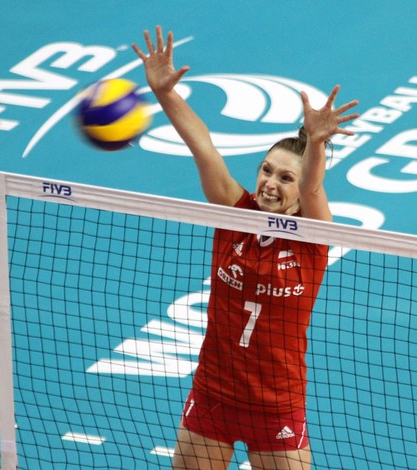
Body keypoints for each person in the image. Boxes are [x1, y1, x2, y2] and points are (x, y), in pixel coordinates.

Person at [133, 27, 359, 469]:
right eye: (266, 170)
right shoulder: (235, 215)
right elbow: (203, 146)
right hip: (213, 394)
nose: (270, 184)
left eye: (285, 178)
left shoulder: (313, 239)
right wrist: (164, 94)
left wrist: (316, 143)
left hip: (276, 405)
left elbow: (314, 187)